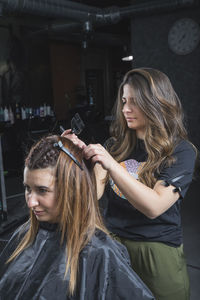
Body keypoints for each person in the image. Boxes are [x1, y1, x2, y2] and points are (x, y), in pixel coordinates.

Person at [63, 68, 197, 300]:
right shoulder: (115, 145)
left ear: (156, 103)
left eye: (135, 102)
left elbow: (154, 206)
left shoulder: (181, 151)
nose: (125, 109)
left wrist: (111, 165)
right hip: (114, 245)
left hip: (157, 250)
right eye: (124, 101)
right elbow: (91, 196)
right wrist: (75, 157)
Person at [0, 135, 155, 300]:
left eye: (42, 190)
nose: (30, 202)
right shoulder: (24, 236)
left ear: (71, 189)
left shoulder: (100, 254)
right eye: (27, 188)